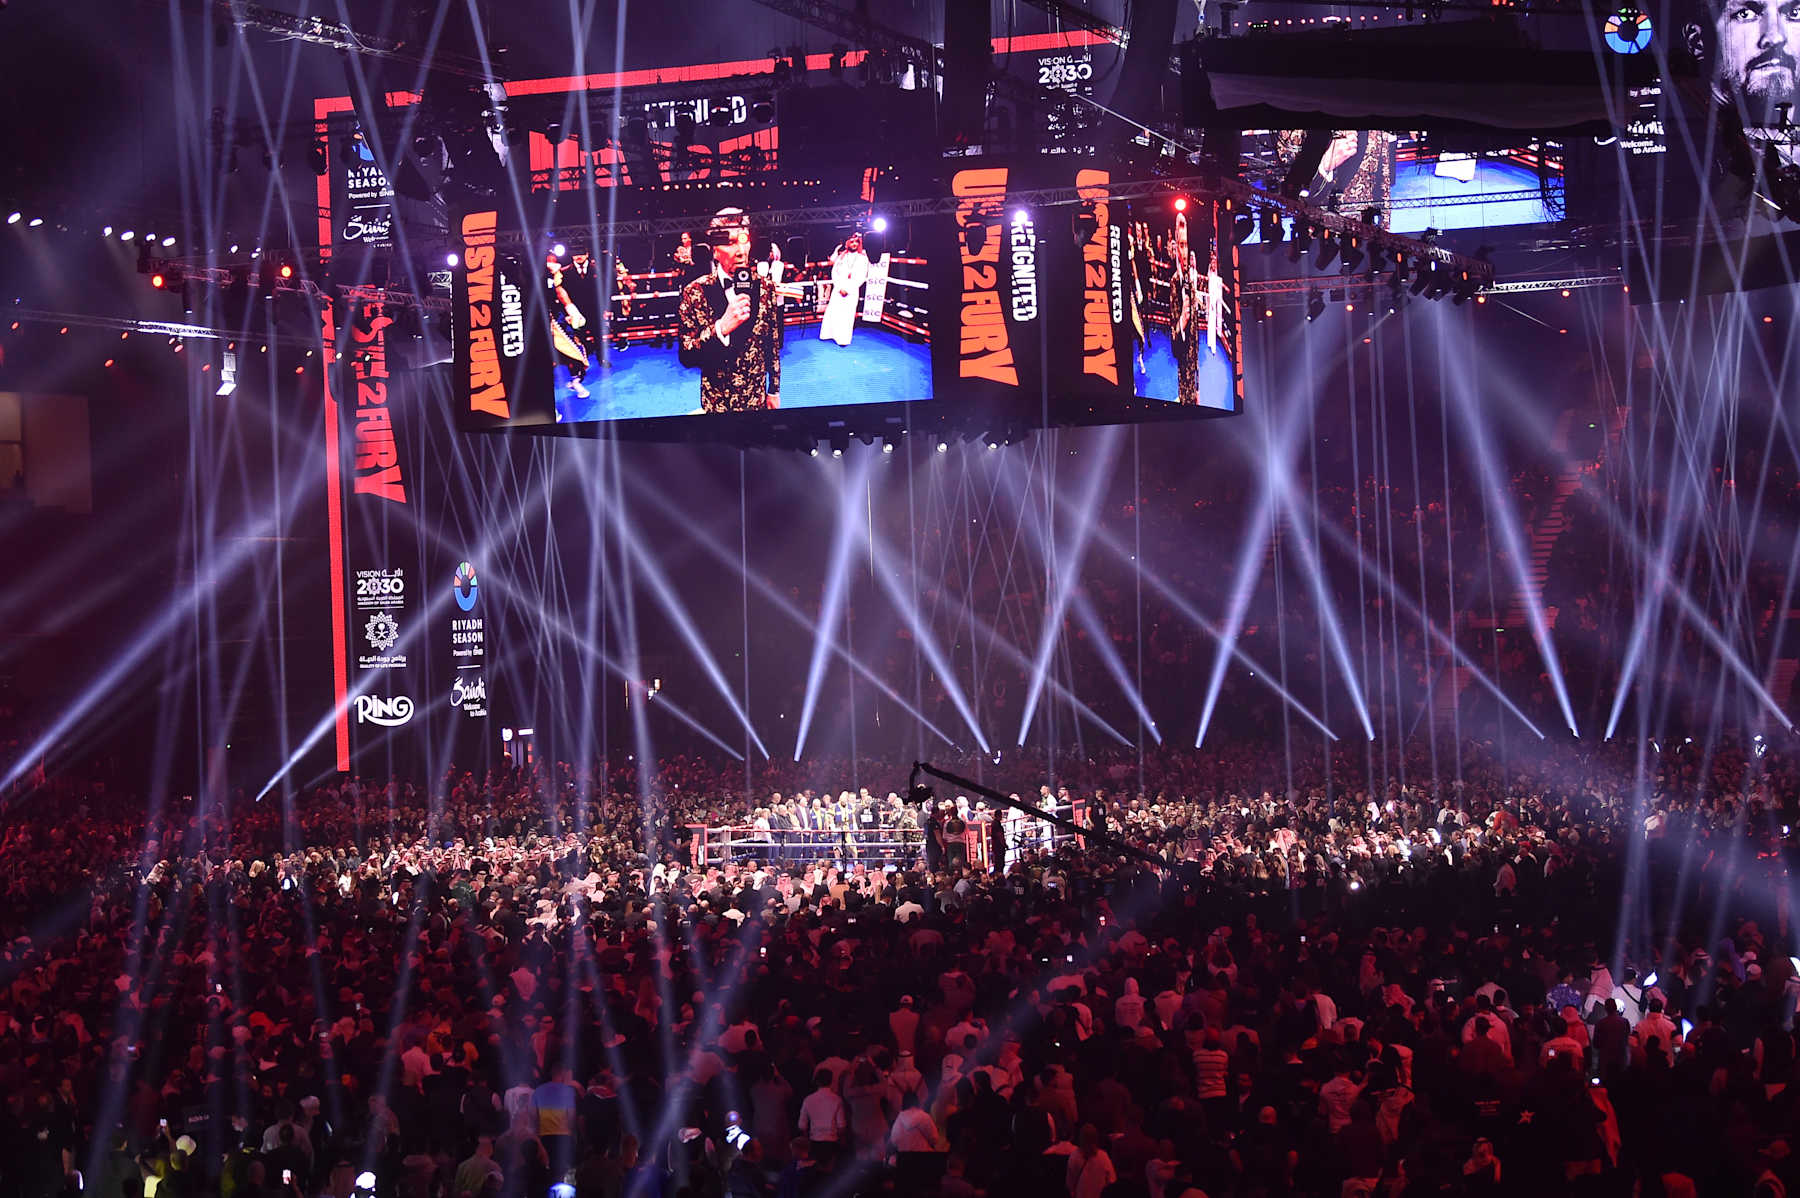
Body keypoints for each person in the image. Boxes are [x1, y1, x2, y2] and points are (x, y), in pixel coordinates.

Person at [676, 207, 782, 412]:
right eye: (731, 242)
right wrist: (720, 329)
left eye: (744, 240)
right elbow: (686, 357)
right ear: (715, 250)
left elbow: (772, 344)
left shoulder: (766, 287)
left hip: (756, 401)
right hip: (717, 404)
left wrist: (774, 389)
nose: (741, 251)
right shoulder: (694, 292)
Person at [818, 233, 870, 347]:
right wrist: (839, 287)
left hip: (851, 290)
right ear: (847, 243)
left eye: (856, 242)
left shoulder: (863, 258)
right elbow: (834, 272)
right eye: (852, 242)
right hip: (838, 288)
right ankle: (829, 334)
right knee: (834, 312)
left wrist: (848, 289)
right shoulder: (841, 256)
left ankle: (843, 339)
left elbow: (861, 277)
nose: (854, 244)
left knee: (847, 315)